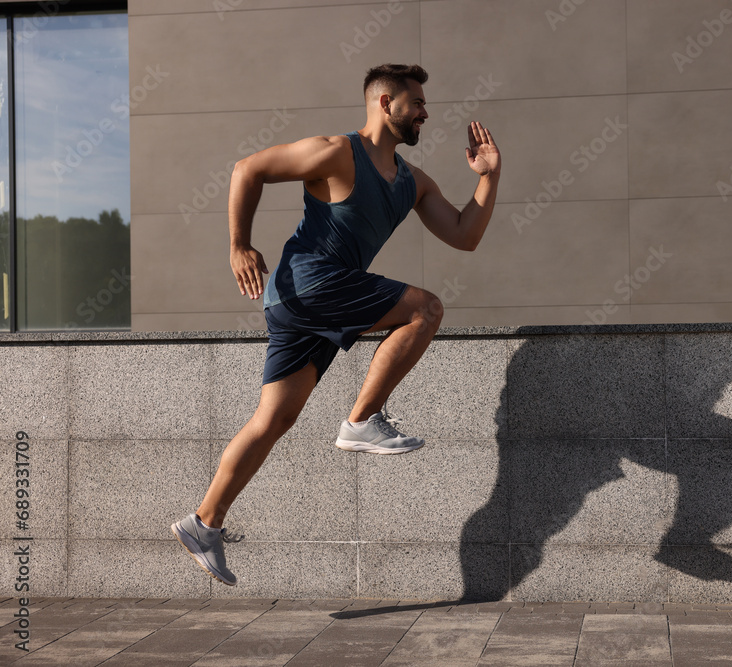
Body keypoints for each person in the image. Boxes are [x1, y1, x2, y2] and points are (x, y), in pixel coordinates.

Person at [171, 63, 501, 586]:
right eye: (417, 103)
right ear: (385, 103)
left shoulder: (414, 183)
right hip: (310, 282)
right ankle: (362, 420)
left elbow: (464, 235)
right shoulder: (336, 152)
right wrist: (238, 245)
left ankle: (203, 522)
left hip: (300, 301)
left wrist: (489, 177)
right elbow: (246, 169)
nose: (425, 112)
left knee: (274, 419)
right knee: (426, 309)